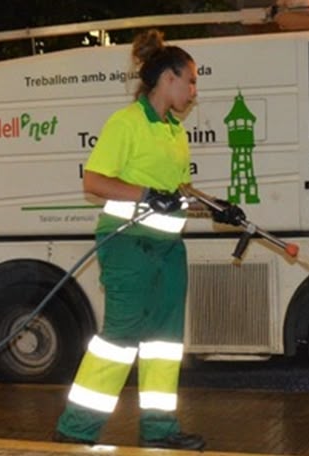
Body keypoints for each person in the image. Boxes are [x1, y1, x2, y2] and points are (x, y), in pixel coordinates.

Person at [52, 29, 244, 450]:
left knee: (164, 344)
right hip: (127, 246)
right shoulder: (127, 123)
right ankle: (76, 429)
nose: (194, 91)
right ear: (166, 79)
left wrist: (217, 209)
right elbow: (94, 180)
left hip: (168, 249)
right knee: (120, 338)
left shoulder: (174, 132)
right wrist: (144, 194)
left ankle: (159, 430)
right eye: (190, 80)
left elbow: (178, 195)